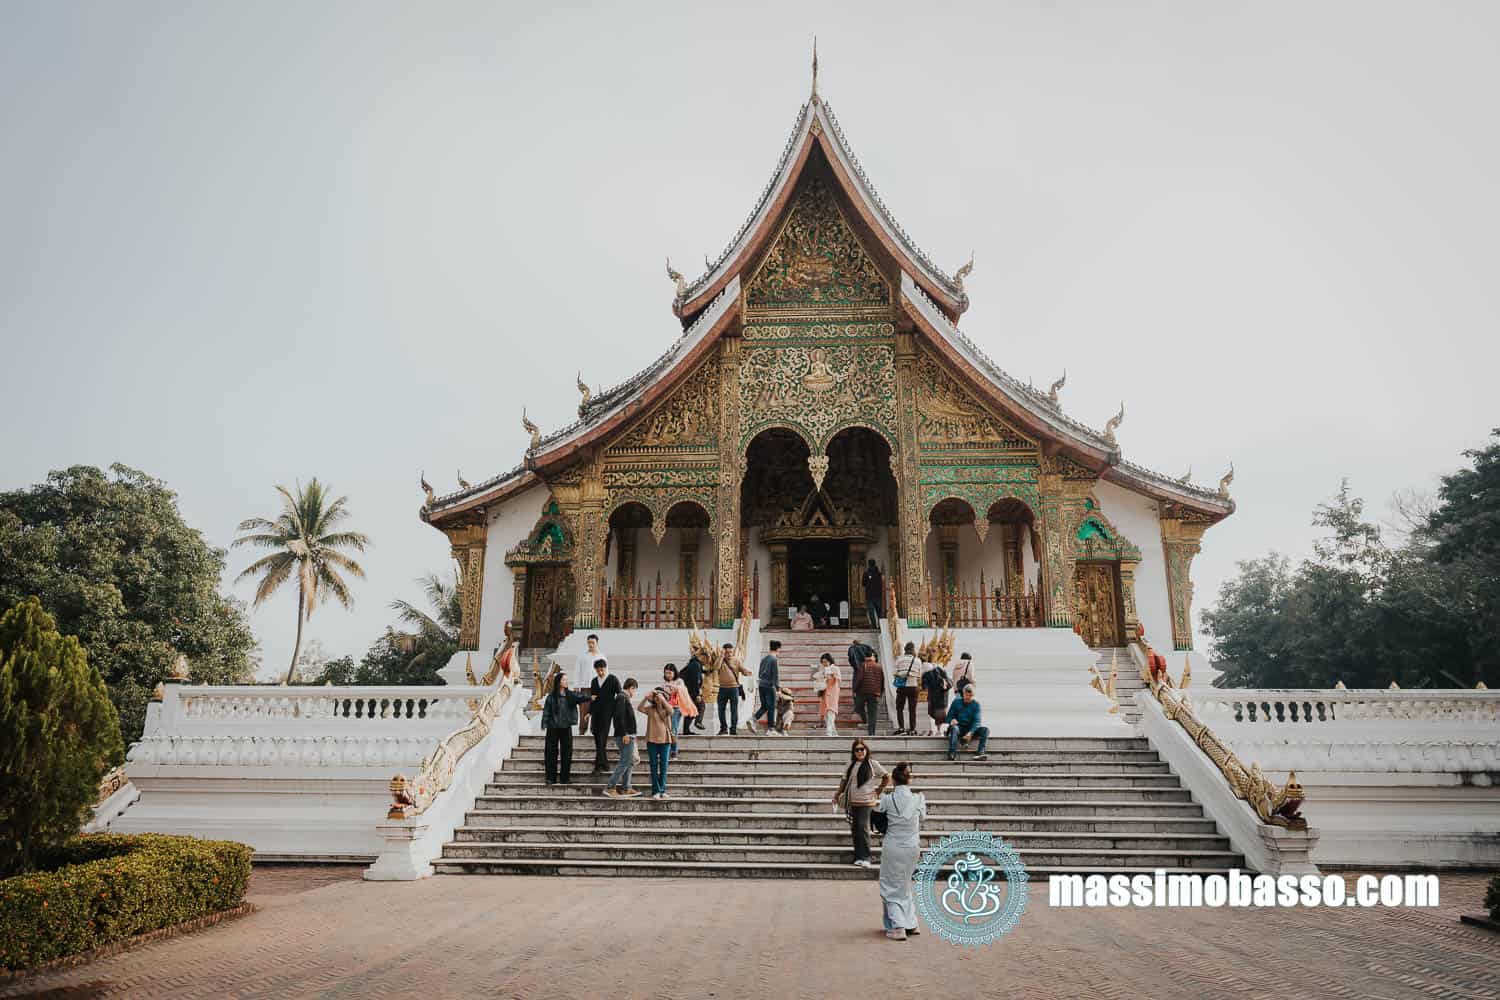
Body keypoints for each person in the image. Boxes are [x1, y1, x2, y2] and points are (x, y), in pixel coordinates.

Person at [875, 763, 927, 940]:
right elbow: (922, 817)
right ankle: (911, 923)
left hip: (893, 846)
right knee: (904, 885)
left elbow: (877, 811)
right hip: (912, 847)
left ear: (893, 781)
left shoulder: (887, 799)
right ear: (909, 779)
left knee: (890, 886)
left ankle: (898, 926)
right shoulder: (919, 798)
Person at [832, 739, 889, 868]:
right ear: (853, 752)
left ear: (866, 750)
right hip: (852, 801)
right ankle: (858, 856)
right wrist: (837, 794)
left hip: (867, 802)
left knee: (863, 828)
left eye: (862, 749)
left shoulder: (873, 764)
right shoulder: (850, 764)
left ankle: (866, 857)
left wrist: (879, 790)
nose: (860, 752)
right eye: (857, 750)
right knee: (855, 829)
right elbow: (844, 781)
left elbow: (886, 776)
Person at [540, 672, 591, 785]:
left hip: (566, 727)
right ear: (558, 682)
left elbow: (581, 697)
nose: (566, 682)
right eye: (564, 680)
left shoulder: (570, 695)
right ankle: (550, 778)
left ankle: (564, 778)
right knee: (550, 753)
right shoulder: (551, 697)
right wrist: (544, 723)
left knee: (567, 753)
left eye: (567, 680)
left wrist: (590, 697)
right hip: (553, 728)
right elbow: (546, 711)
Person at [604, 677, 641, 797]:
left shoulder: (623, 698)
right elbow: (618, 717)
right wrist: (625, 733)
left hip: (628, 735)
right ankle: (610, 787)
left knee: (629, 762)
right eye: (634, 690)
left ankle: (626, 787)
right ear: (631, 688)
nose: (634, 693)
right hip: (625, 735)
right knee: (625, 762)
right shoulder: (622, 697)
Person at [639, 683, 675, 799]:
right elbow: (639, 708)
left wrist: (662, 699)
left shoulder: (667, 708)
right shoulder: (650, 709)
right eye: (656, 696)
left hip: (665, 740)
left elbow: (672, 711)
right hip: (652, 740)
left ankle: (662, 790)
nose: (657, 697)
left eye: (660, 695)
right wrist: (646, 697)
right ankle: (656, 791)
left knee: (664, 766)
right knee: (653, 766)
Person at [589, 659, 622, 773]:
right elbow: (592, 698)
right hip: (596, 713)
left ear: (605, 668)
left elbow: (620, 695)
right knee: (597, 739)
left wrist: (617, 709)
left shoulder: (613, 679)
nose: (600, 672)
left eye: (602, 670)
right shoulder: (594, 681)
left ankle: (598, 766)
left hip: (607, 713)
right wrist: (589, 712)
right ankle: (604, 764)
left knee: (601, 738)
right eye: (598, 670)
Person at [945, 685, 990, 761]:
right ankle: (952, 754)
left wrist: (971, 732)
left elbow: (977, 721)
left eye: (970, 696)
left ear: (973, 695)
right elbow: (948, 717)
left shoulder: (976, 705)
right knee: (954, 728)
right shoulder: (956, 702)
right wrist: (951, 720)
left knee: (986, 730)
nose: (968, 697)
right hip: (959, 727)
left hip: (970, 729)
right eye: (967, 695)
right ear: (963, 693)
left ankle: (980, 753)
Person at [716, 642, 752, 735]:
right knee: (721, 709)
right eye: (726, 652)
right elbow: (716, 667)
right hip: (722, 688)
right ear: (723, 652)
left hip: (734, 689)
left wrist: (746, 672)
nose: (729, 654)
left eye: (730, 652)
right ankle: (723, 728)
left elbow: (742, 669)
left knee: (734, 710)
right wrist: (721, 656)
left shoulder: (736, 660)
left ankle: (733, 729)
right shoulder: (720, 660)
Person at [748, 639, 781, 735]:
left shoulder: (764, 659)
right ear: (778, 649)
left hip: (761, 685)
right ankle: (771, 729)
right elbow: (775, 675)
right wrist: (778, 689)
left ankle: (753, 719)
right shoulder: (774, 660)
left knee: (764, 706)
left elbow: (759, 673)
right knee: (771, 707)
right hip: (769, 686)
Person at [663, 663, 695, 758]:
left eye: (670, 673)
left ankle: (673, 752)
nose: (668, 675)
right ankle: (667, 751)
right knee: (667, 730)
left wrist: (673, 687)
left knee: (673, 729)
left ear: (674, 672)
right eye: (666, 673)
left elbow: (682, 690)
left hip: (677, 708)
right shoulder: (665, 683)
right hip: (667, 708)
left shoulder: (679, 681)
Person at [575, 634, 605, 736]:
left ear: (597, 643)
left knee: (597, 710)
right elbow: (577, 671)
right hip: (585, 687)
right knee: (584, 710)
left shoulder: (601, 656)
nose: (590, 645)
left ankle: (595, 731)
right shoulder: (582, 656)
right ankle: (582, 732)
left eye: (593, 643)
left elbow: (605, 672)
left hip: (598, 688)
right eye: (589, 643)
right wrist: (577, 686)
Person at [892, 641, 922, 736]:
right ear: (913, 650)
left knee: (899, 708)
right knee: (912, 709)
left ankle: (901, 728)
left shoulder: (899, 659)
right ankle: (912, 729)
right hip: (913, 686)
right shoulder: (918, 660)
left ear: (905, 650)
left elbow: (894, 673)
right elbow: (919, 675)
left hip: (902, 687)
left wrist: (902, 674)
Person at [921, 657, 952, 736]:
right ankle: (940, 730)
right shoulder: (940, 669)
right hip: (943, 696)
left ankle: (936, 730)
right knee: (940, 715)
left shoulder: (926, 673)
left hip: (934, 697)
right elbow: (948, 682)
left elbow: (924, 687)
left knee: (935, 714)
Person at [814, 652, 842, 736]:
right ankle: (834, 732)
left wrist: (832, 675)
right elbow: (817, 679)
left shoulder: (835, 668)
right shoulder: (822, 670)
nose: (824, 663)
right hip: (824, 692)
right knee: (826, 712)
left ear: (830, 661)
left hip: (833, 692)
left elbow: (839, 679)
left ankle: (829, 732)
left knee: (831, 711)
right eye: (822, 662)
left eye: (825, 661)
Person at [678, 651, 706, 733]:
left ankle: (686, 730)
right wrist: (698, 694)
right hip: (691, 691)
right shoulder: (696, 665)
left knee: (691, 709)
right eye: (707, 658)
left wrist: (709, 671)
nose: (707, 661)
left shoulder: (693, 664)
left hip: (687, 690)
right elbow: (696, 680)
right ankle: (698, 722)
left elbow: (701, 671)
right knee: (701, 705)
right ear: (702, 656)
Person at [846, 637, 872, 724]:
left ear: (854, 643)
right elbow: (874, 655)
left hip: (857, 671)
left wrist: (855, 666)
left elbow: (850, 659)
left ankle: (863, 718)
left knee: (857, 694)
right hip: (868, 671)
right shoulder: (867, 647)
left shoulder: (852, 649)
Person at [861, 559, 885, 628]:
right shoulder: (877, 574)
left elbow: (863, 584)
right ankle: (877, 626)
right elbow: (863, 583)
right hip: (873, 596)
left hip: (873, 596)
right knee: (875, 612)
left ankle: (878, 626)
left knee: (875, 612)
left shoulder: (877, 573)